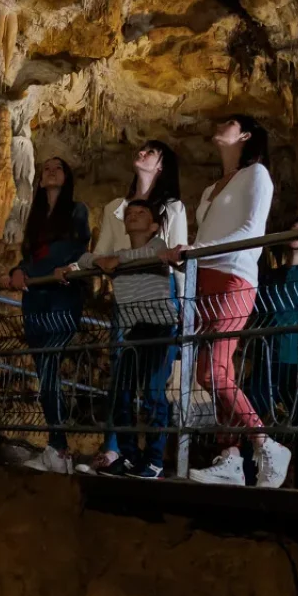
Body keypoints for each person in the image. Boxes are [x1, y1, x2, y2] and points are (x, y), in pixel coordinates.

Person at [159, 114, 290, 487]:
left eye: (229, 122)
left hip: (235, 274)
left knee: (211, 370)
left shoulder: (257, 175)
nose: (219, 125)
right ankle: (231, 456)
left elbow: (251, 230)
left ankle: (266, 443)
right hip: (205, 280)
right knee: (219, 372)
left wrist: (195, 250)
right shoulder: (209, 189)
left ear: (245, 135)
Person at [70, 200, 179, 478]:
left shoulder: (157, 247)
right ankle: (131, 457)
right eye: (130, 213)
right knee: (120, 395)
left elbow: (153, 254)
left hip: (160, 328)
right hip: (132, 332)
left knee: (154, 394)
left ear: (154, 226)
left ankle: (155, 461)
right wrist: (99, 260)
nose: (134, 216)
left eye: (142, 213)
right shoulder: (118, 255)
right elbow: (84, 259)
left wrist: (115, 261)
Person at [9, 156, 92, 473]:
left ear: (67, 177)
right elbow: (28, 254)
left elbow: (69, 250)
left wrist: (24, 270)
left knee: (49, 367)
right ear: (40, 180)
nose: (51, 170)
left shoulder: (77, 210)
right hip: (36, 301)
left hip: (61, 297)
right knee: (45, 372)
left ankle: (59, 449)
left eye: (58, 167)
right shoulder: (35, 219)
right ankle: (57, 448)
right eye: (46, 168)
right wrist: (18, 269)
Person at [244, 217, 298, 488]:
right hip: (268, 362)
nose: (296, 234)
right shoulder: (270, 277)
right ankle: (246, 480)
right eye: (292, 230)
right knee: (249, 418)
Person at [93, 140, 188, 257]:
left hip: (159, 274)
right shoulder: (113, 208)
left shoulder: (173, 207)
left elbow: (179, 254)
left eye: (151, 152)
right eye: (142, 150)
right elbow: (100, 254)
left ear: (161, 166)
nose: (142, 153)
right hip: (123, 274)